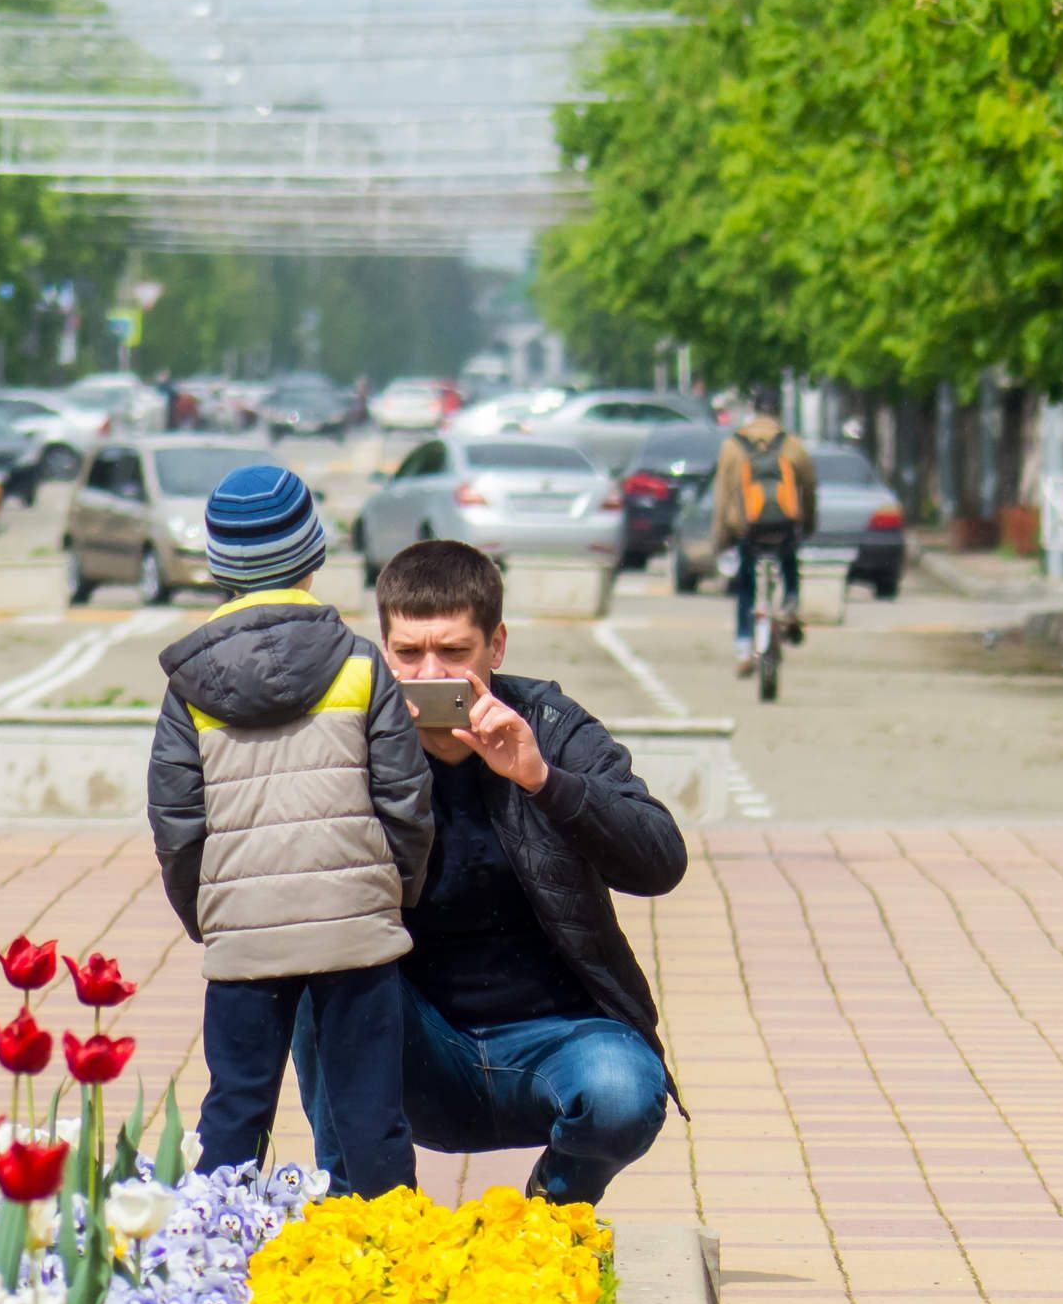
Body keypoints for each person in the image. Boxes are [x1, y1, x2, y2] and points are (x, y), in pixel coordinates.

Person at [292, 540, 687, 1206]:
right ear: (380, 650)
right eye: (408, 653)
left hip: (556, 1037)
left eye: (453, 652)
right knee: (317, 964)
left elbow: (660, 861)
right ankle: (354, 1218)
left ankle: (550, 1219)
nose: (429, 672)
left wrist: (540, 779)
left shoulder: (551, 727)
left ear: (496, 647)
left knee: (624, 1094)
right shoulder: (349, 736)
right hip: (417, 1045)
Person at [147, 465, 434, 1197]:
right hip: (356, 931)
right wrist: (388, 898)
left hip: (244, 933)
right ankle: (389, 1262)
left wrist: (210, 916)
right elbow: (405, 801)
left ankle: (214, 1265)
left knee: (235, 1114)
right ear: (313, 555)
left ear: (217, 568)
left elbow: (178, 823)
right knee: (371, 1116)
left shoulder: (189, 686)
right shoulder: (361, 668)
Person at [712, 400, 818, 673]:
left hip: (747, 530)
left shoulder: (732, 447)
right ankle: (790, 604)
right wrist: (806, 525)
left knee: (746, 585)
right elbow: (808, 488)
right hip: (783, 527)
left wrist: (722, 539)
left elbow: (722, 496)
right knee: (789, 564)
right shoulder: (792, 444)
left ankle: (745, 647)